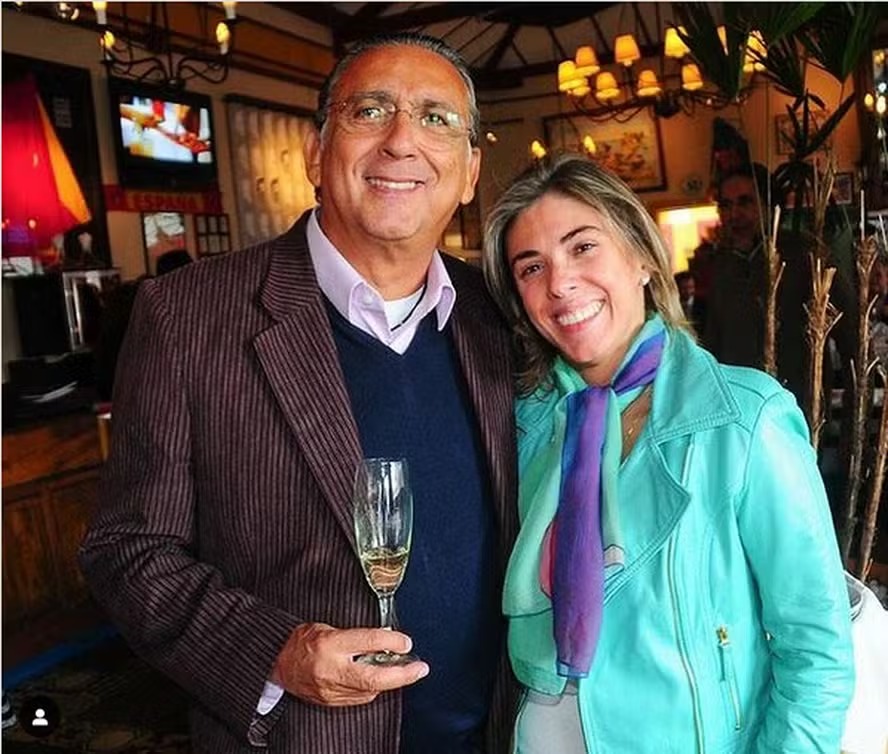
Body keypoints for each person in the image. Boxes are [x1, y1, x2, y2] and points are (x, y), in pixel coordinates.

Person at [80, 33, 518, 754]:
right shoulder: (187, 316)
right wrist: (277, 653)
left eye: (436, 118)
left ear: (469, 172)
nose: (402, 140)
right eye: (369, 111)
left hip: (496, 734)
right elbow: (128, 549)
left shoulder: (500, 315)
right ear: (316, 154)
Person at [481, 154, 854, 753]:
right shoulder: (525, 425)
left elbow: (817, 652)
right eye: (532, 267)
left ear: (642, 259)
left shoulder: (744, 420)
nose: (559, 284)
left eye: (583, 248)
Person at [673, 269, 706, 334]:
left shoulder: (703, 306)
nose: (688, 291)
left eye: (690, 287)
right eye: (684, 288)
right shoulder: (673, 305)